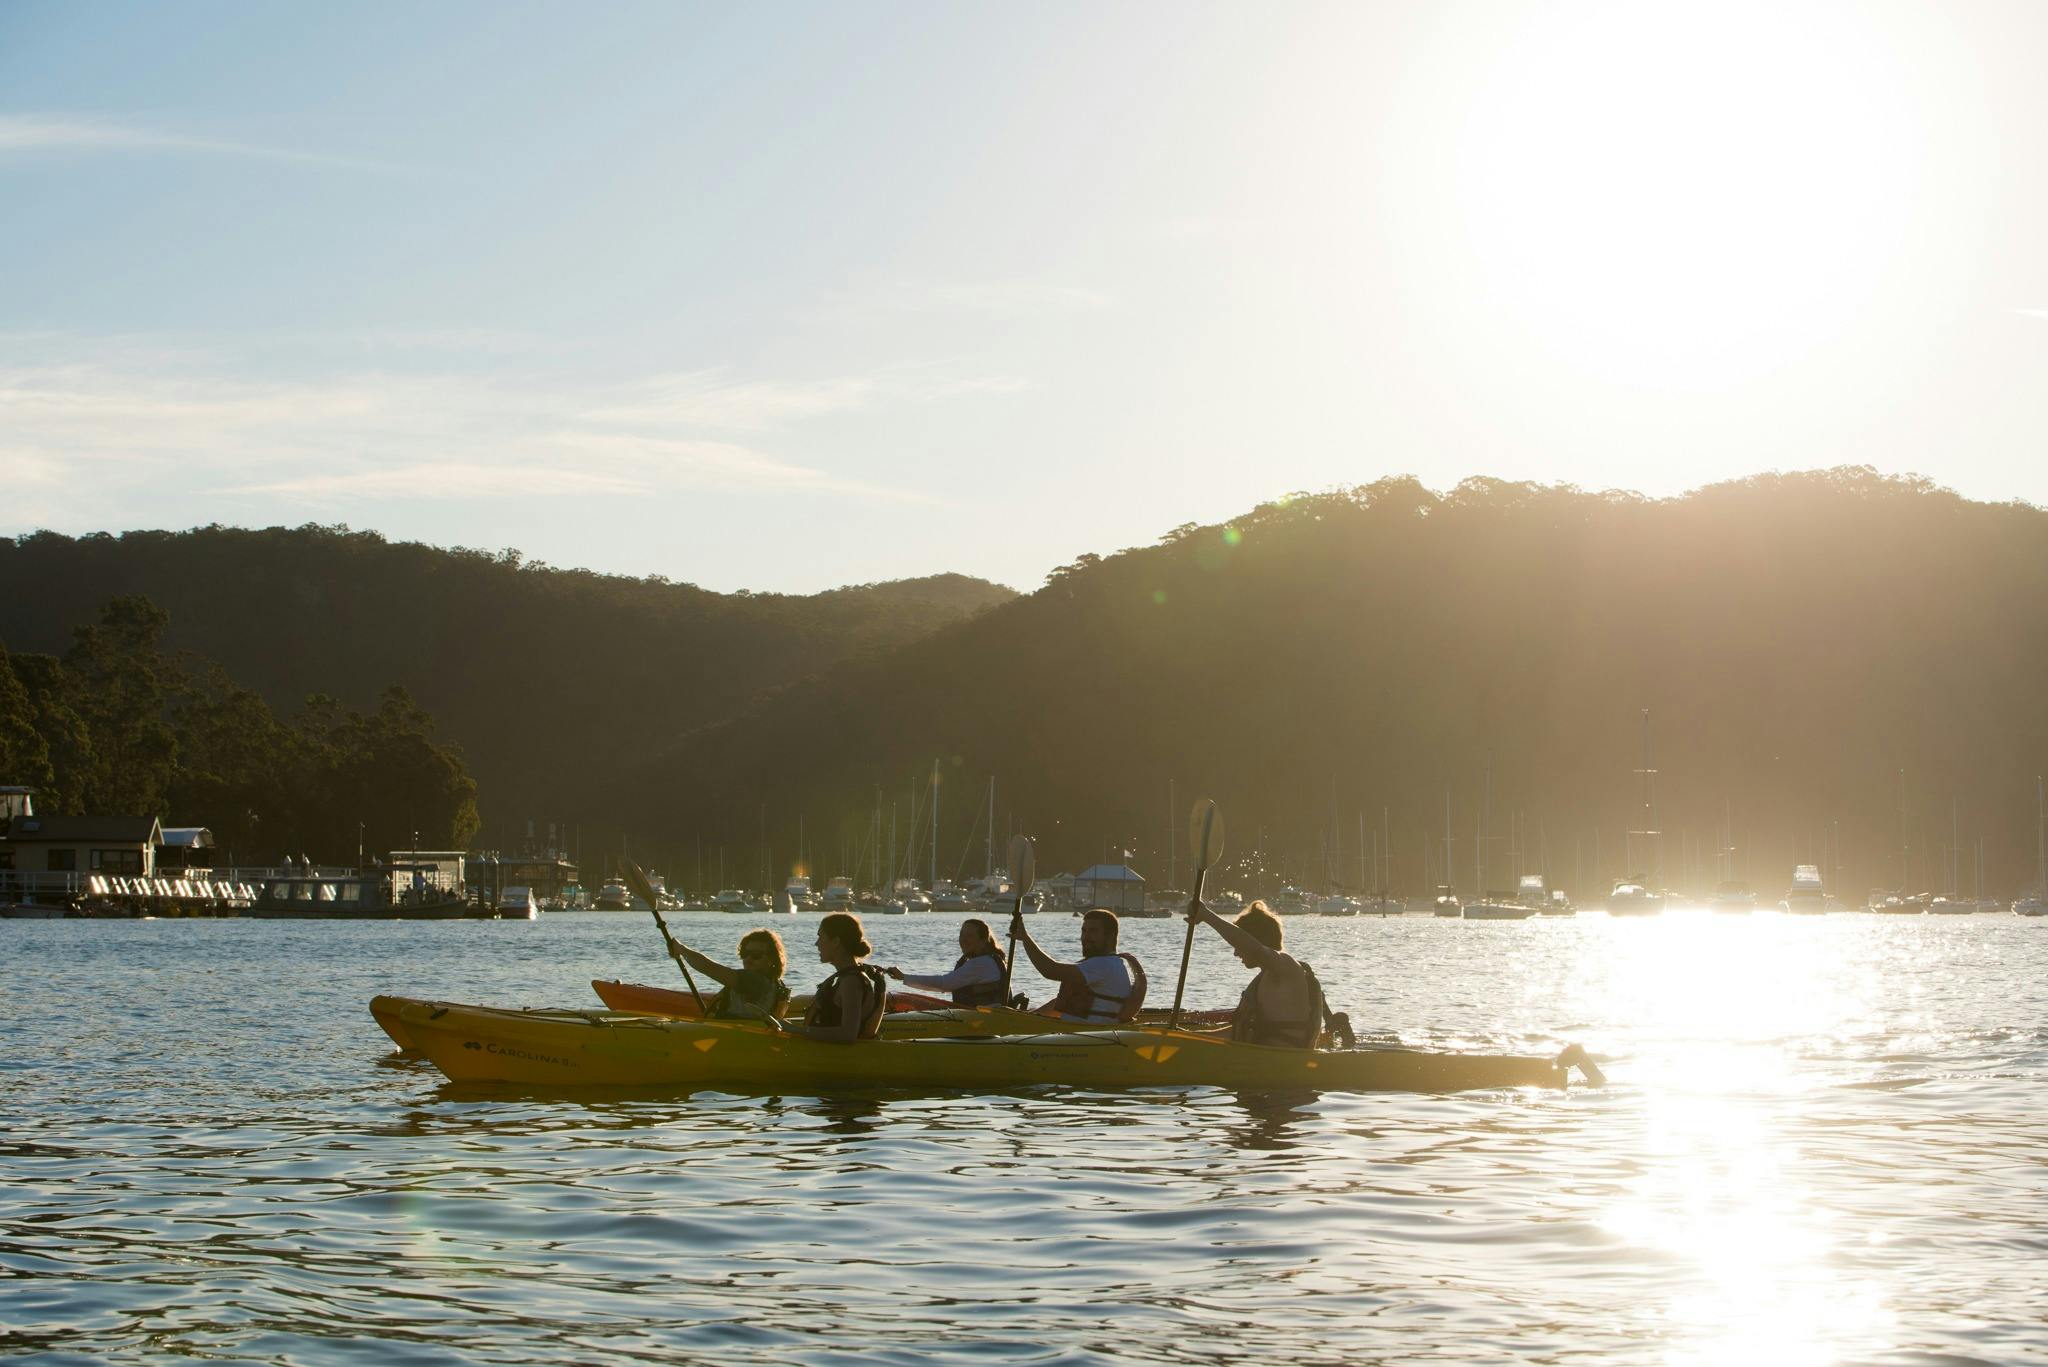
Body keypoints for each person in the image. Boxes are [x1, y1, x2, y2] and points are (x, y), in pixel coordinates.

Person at [1183, 899, 1346, 1048]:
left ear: (1252, 940)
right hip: (1258, 1059)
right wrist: (1186, 1038)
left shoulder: (1287, 966)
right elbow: (1237, 1033)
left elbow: (1255, 949)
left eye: (1239, 945)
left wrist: (1206, 915)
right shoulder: (1265, 978)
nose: (1236, 953)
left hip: (1285, 1063)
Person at [1007, 907, 1146, 1022]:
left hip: (1088, 1037)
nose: (1086, 937)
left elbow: (1050, 970)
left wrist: (1025, 938)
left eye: (1093, 931)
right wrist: (1025, 1019)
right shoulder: (1105, 963)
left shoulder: (1104, 964)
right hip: (1074, 1032)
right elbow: (1059, 1004)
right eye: (1084, 931)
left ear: (1111, 936)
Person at [664, 928, 790, 1021]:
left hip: (736, 1037)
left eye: (756, 955)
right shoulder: (775, 983)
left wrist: (681, 949)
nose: (748, 959)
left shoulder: (755, 981)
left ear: (772, 959)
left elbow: (709, 967)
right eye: (745, 954)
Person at [884, 917, 1011, 1008]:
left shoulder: (982, 963)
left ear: (983, 941)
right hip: (978, 1016)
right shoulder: (989, 959)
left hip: (984, 1019)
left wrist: (904, 977)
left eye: (969, 936)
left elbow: (945, 983)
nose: (963, 940)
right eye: (962, 935)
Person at [803, 911, 888, 1041]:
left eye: (821, 937)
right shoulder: (846, 978)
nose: (817, 943)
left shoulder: (851, 982)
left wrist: (797, 1030)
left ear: (836, 942)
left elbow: (848, 1034)